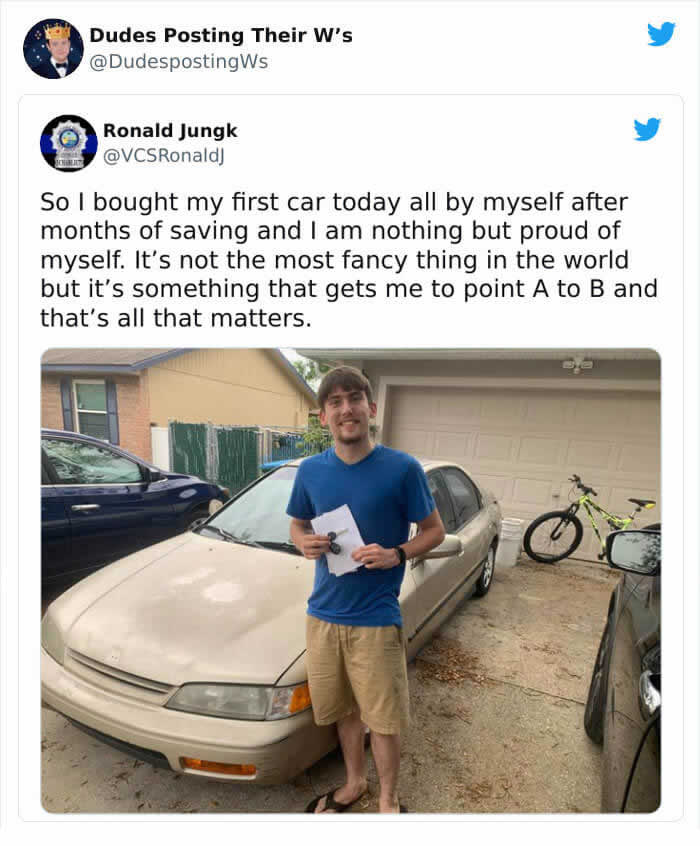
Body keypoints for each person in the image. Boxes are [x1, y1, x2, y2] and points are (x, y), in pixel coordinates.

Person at [287, 365, 445, 814]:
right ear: (324, 417)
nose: (345, 409)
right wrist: (304, 543)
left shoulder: (402, 469)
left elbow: (434, 531)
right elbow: (297, 524)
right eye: (334, 402)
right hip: (323, 617)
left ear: (371, 408)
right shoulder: (311, 472)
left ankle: (389, 803)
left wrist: (398, 552)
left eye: (354, 398)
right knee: (345, 714)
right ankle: (355, 784)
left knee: (384, 720)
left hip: (375, 620)